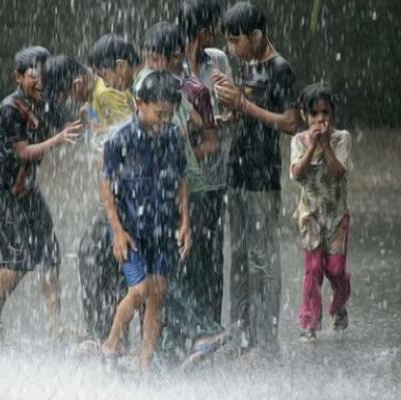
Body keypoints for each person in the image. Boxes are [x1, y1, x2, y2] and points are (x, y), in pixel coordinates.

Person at [0, 47, 81, 341]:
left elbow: (71, 125)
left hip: (28, 187)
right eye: (33, 75)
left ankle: (55, 328)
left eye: (44, 73)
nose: (40, 80)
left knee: (49, 252)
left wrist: (86, 113)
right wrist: (57, 138)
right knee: (19, 256)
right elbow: (23, 151)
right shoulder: (10, 109)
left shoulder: (45, 103)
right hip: (3, 189)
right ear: (18, 77)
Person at [213, 2, 298, 357]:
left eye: (238, 42)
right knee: (239, 254)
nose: (233, 50)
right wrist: (228, 112)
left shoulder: (281, 70)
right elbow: (247, 114)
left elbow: (291, 123)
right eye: (229, 43)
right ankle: (239, 334)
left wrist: (243, 106)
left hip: (263, 177)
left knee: (263, 257)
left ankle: (266, 342)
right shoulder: (248, 66)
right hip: (237, 171)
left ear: (257, 35)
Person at [134, 21, 219, 362]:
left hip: (185, 191)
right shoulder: (146, 84)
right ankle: (171, 343)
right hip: (156, 193)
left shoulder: (190, 90)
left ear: (175, 58)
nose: (153, 65)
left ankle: (192, 337)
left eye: (160, 59)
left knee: (174, 270)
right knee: (160, 272)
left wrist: (182, 161)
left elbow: (205, 134)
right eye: (149, 57)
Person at [100, 70, 191, 371]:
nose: (164, 120)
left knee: (158, 293)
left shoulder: (173, 135)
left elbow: (182, 179)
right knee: (139, 290)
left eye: (169, 114)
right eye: (159, 113)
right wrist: (116, 231)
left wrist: (185, 222)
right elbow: (106, 184)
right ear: (140, 103)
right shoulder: (120, 139)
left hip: (162, 227)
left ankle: (144, 362)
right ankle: (111, 344)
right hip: (131, 231)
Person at [77, 34, 140, 343]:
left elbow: (130, 139)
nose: (105, 82)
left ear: (119, 66)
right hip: (124, 191)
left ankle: (108, 339)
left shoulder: (129, 92)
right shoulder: (127, 88)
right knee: (113, 262)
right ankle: (113, 339)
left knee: (96, 255)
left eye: (105, 76)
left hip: (131, 194)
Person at [290, 83, 351, 342]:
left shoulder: (342, 138)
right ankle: (309, 323)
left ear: (332, 114)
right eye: (314, 114)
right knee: (313, 269)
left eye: (325, 113)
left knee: (335, 270)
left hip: (336, 217)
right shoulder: (298, 141)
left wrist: (325, 145)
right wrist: (312, 147)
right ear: (304, 116)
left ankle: (339, 304)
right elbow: (296, 174)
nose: (320, 120)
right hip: (311, 217)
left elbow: (339, 173)